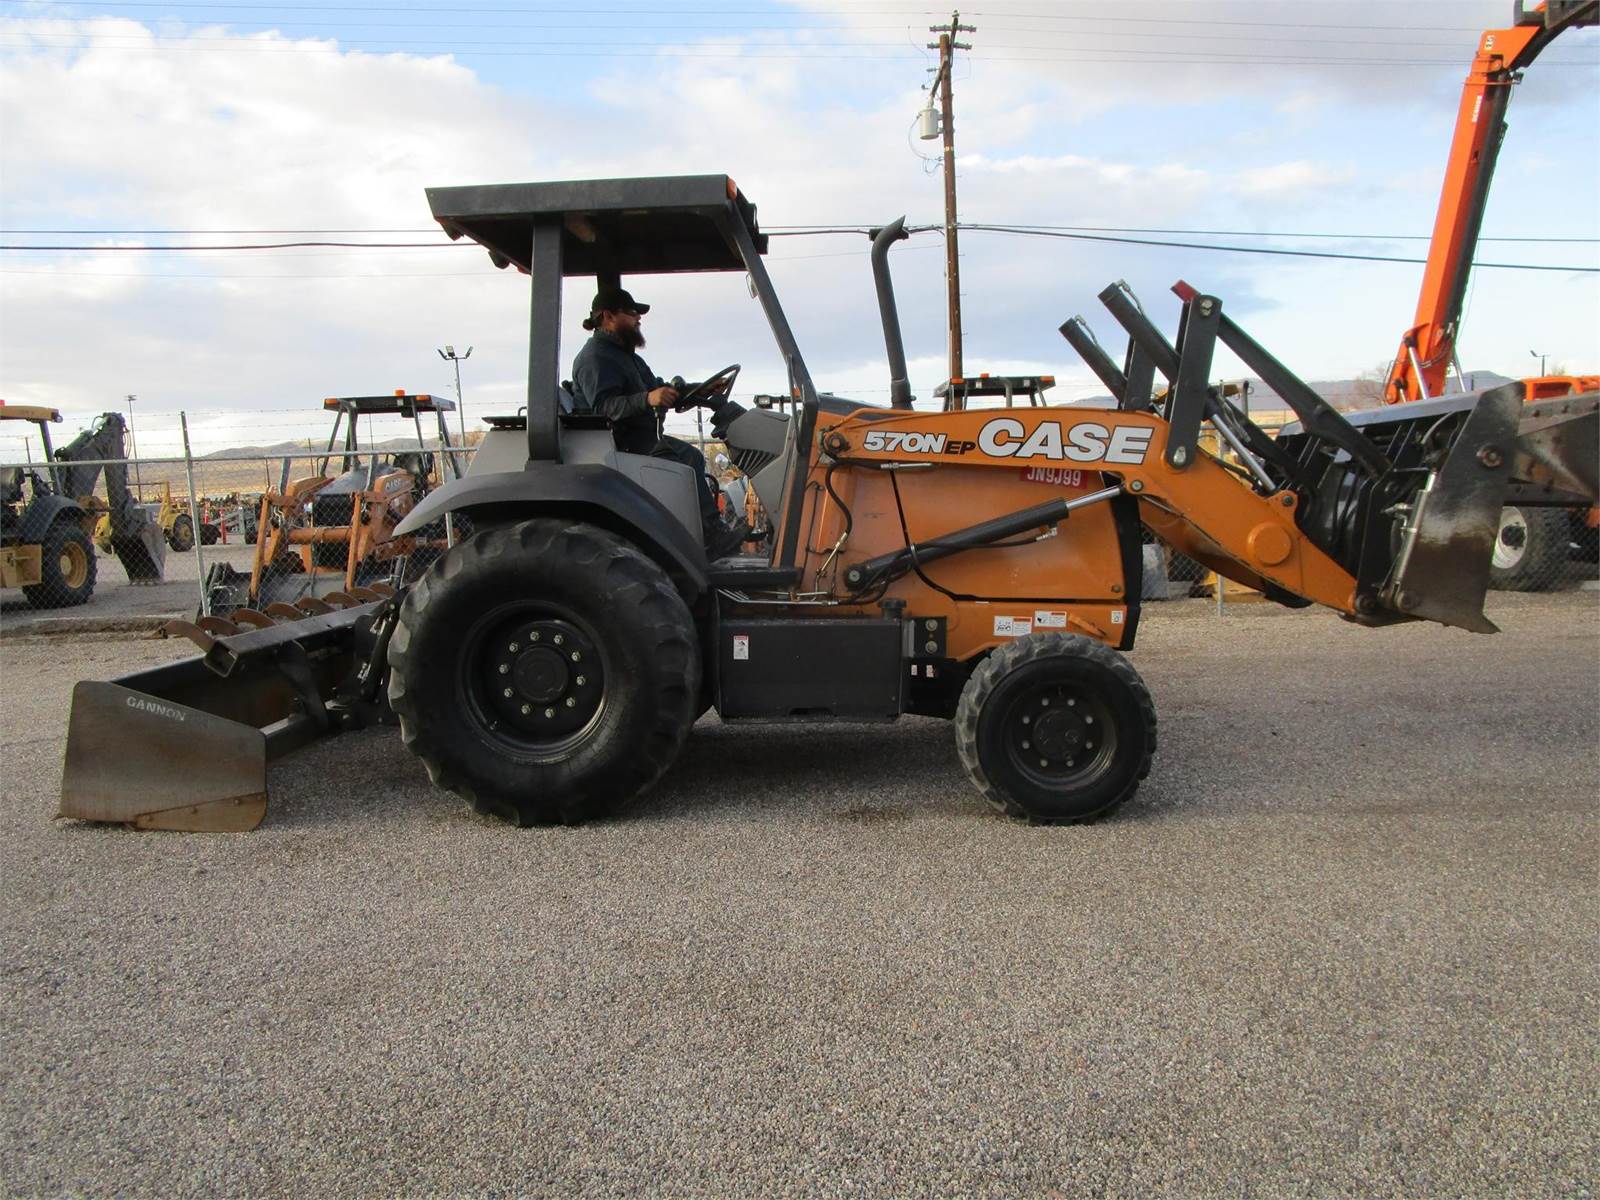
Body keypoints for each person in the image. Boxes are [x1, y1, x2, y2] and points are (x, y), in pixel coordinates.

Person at [570, 286, 749, 557]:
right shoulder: (595, 358)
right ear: (608, 316)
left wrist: (700, 389)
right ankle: (710, 537)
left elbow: (658, 390)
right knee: (687, 460)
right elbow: (604, 407)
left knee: (693, 457)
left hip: (642, 439)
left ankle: (709, 532)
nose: (638, 320)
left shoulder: (626, 357)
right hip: (622, 444)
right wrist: (647, 399)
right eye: (632, 313)